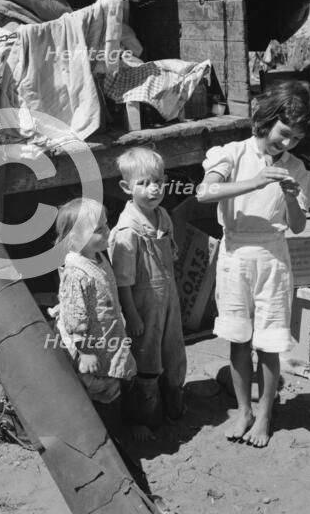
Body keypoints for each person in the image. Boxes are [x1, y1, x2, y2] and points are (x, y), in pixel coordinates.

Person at [197, 82, 310, 447]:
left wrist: (293, 199)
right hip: (235, 256)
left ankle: (265, 415)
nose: (287, 144)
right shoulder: (232, 153)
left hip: (272, 259)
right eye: (284, 134)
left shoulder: (299, 171)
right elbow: (204, 192)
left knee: (268, 343)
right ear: (266, 120)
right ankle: (243, 410)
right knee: (238, 338)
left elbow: (298, 226)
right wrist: (253, 182)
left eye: (295, 139)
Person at [108, 147, 187, 441]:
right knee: (147, 358)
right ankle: (148, 416)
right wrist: (132, 315)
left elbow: (172, 252)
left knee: (174, 351)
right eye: (143, 183)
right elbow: (122, 282)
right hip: (144, 307)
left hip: (168, 300)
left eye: (157, 181)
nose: (153, 189)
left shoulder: (163, 216)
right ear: (126, 187)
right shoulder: (128, 231)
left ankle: (174, 404)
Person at [51, 197, 137, 437]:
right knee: (98, 389)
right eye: (99, 229)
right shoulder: (76, 273)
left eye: (106, 224)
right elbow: (74, 315)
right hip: (91, 346)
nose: (107, 231)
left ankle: (120, 429)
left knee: (113, 380)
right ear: (75, 239)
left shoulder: (98, 258)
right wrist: (84, 351)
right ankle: (106, 440)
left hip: (108, 336)